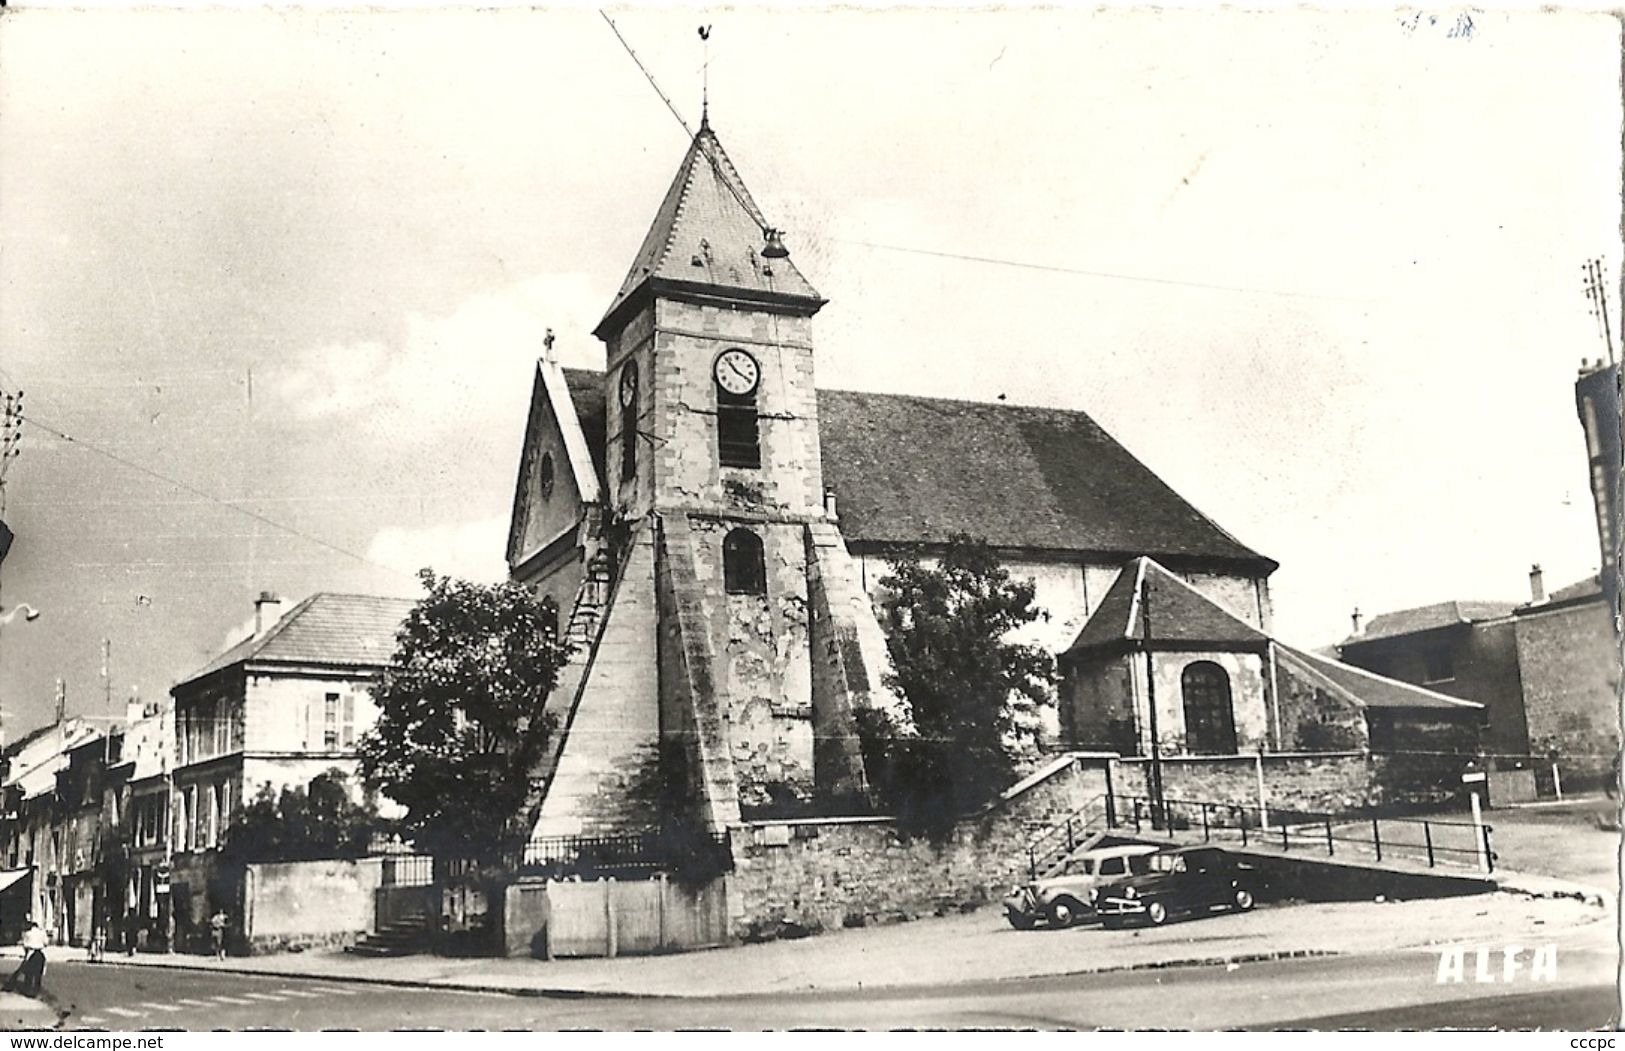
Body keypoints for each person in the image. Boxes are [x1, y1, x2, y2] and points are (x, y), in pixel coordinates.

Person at [3, 920, 48, 997]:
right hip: (41, 953)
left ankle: (27, 990)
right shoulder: (42, 932)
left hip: (31, 953)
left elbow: (25, 945)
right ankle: (36, 991)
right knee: (38, 974)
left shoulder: (27, 934)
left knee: (29, 973)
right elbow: (46, 943)